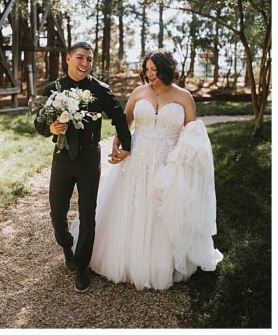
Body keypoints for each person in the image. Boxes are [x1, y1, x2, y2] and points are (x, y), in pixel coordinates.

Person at [76, 49, 223, 290]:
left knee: (162, 210)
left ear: (167, 69)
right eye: (147, 70)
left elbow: (191, 133)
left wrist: (187, 156)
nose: (150, 75)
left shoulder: (184, 97)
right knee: (131, 207)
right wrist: (118, 143)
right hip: (137, 158)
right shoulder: (138, 92)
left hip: (168, 162)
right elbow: (125, 123)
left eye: (154, 70)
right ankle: (125, 258)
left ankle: (161, 263)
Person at [33, 41, 132, 293]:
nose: (85, 64)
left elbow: (119, 116)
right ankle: (66, 245)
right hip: (62, 155)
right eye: (80, 58)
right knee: (57, 212)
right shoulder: (53, 88)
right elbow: (39, 122)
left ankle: (81, 266)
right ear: (68, 58)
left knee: (88, 213)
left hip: (89, 156)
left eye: (89, 59)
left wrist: (127, 145)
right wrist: (50, 128)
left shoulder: (100, 89)